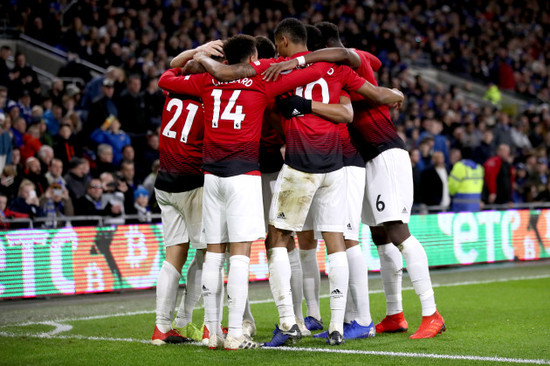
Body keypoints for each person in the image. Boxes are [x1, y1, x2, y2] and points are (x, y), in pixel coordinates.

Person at [267, 20, 445, 339]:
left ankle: (431, 313)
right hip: (363, 158)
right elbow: (375, 75)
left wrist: (300, 60)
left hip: (384, 153)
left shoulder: (350, 60)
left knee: (396, 230)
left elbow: (360, 68)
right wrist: (393, 92)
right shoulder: (344, 70)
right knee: (378, 235)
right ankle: (394, 313)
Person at [159, 34, 333, 350]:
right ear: (253, 57)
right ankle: (236, 334)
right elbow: (317, 71)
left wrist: (196, 53)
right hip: (244, 177)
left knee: (214, 254)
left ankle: (214, 334)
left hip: (211, 178)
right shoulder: (261, 81)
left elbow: (167, 77)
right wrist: (296, 62)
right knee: (240, 255)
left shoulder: (205, 81)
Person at [152, 41, 223, 346]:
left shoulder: (170, 86)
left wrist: (199, 50)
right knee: (210, 254)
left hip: (164, 183)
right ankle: (210, 327)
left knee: (174, 258)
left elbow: (173, 63)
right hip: (192, 184)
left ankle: (162, 328)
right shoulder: (207, 93)